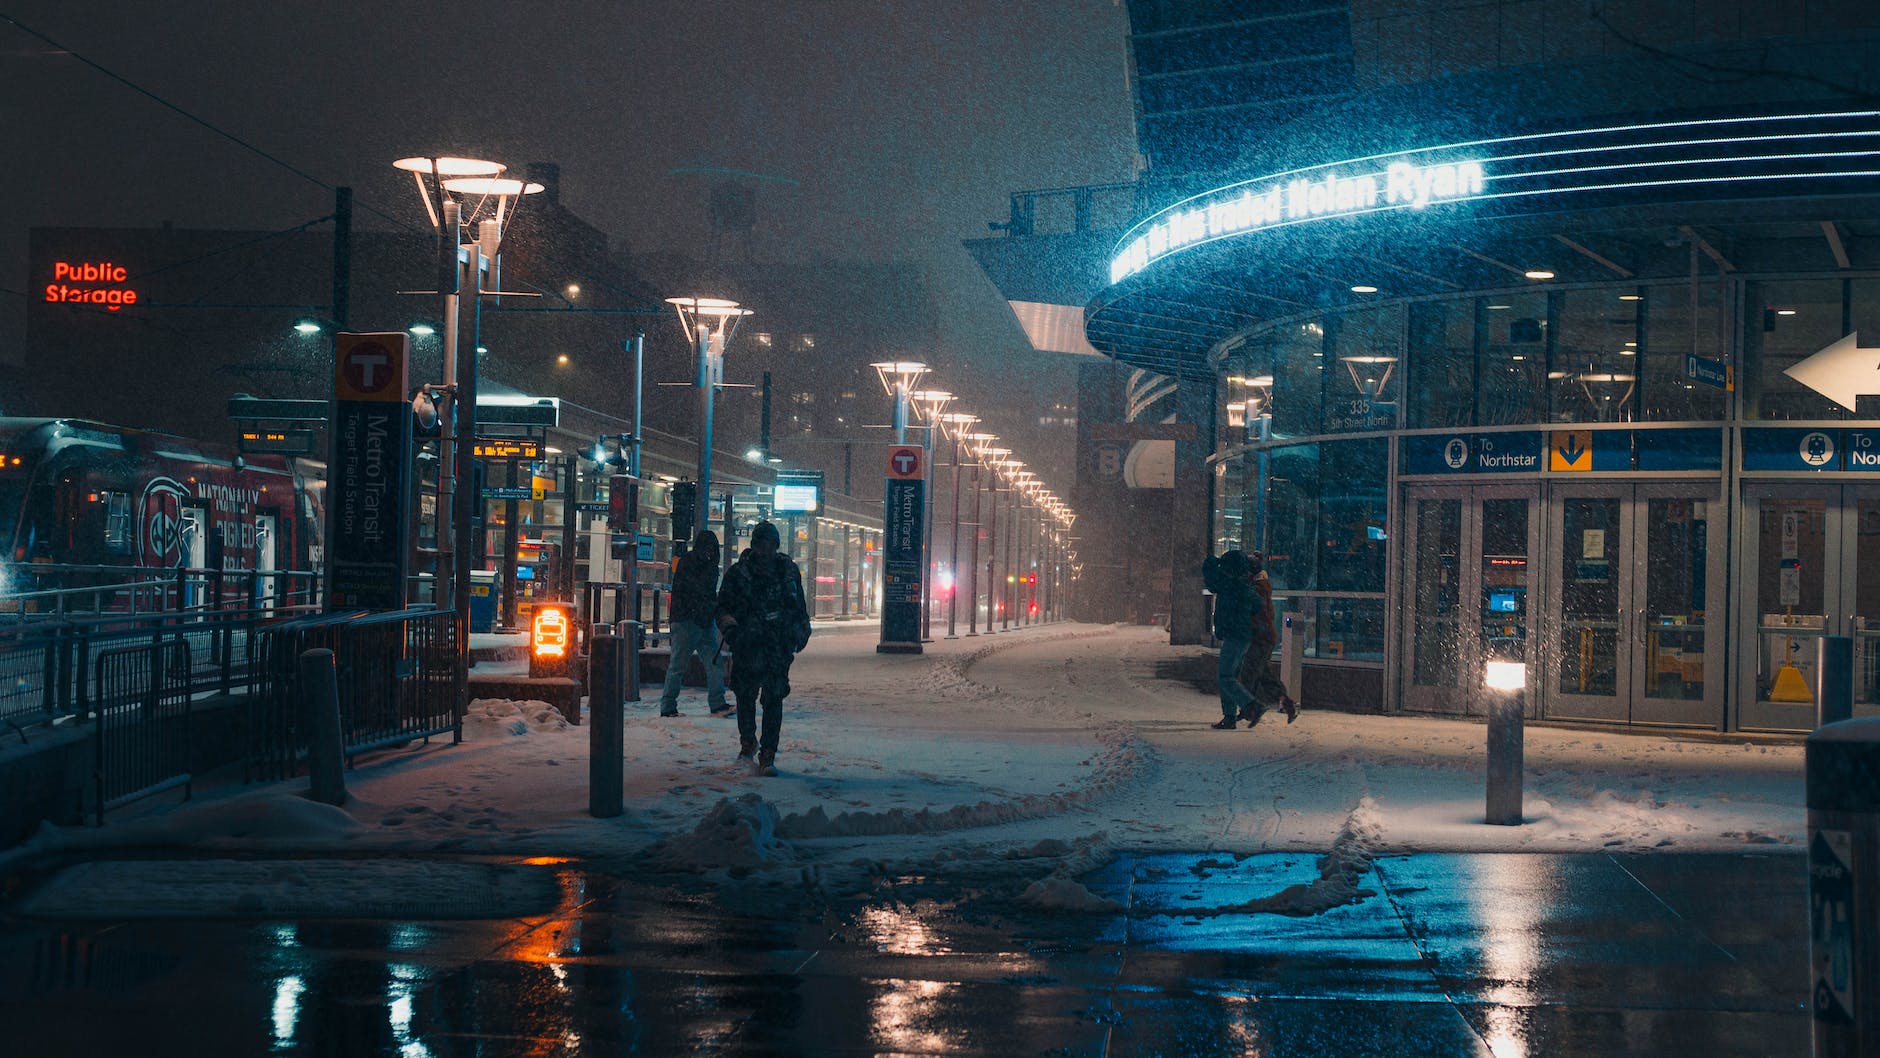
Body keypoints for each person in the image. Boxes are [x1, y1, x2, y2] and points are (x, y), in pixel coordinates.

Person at [715, 520, 812, 775]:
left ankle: (768, 752)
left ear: (776, 545)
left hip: (776, 647)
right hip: (747, 645)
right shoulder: (738, 575)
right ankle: (748, 741)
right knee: (745, 697)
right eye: (761, 544)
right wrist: (732, 629)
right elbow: (722, 606)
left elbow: (798, 607)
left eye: (770, 544)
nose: (765, 550)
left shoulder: (788, 573)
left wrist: (801, 631)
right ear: (755, 545)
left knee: (773, 699)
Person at [658, 530, 728, 717]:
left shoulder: (689, 563)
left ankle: (669, 705)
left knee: (682, 665)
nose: (711, 552)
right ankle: (716, 702)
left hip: (691, 620)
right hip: (691, 621)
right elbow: (700, 592)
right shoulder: (701, 566)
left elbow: (695, 592)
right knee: (704, 663)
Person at [1238, 552, 1299, 724]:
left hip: (1261, 638)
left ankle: (1252, 707)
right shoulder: (1260, 586)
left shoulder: (1257, 589)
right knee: (1262, 674)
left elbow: (1258, 614)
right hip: (1264, 637)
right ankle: (1284, 703)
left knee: (1250, 673)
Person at [1201, 550, 1257, 728]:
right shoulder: (1243, 585)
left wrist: (1212, 560)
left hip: (1235, 636)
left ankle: (1250, 706)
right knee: (1230, 676)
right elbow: (1258, 604)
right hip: (1242, 635)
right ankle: (1230, 716)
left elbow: (1210, 578)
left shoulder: (1229, 584)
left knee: (1225, 677)